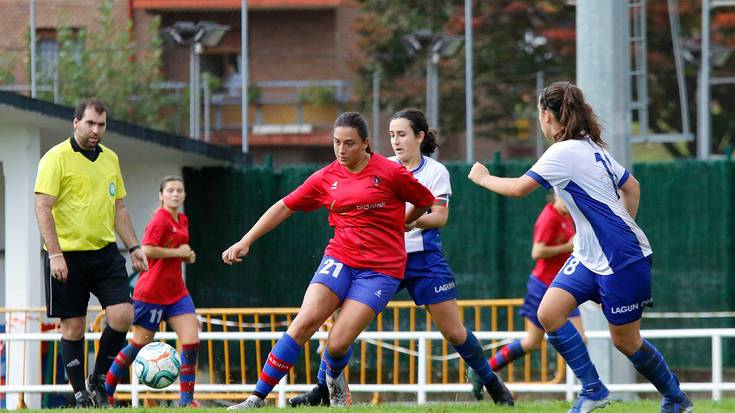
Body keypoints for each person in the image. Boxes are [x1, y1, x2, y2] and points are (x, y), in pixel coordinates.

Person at [467, 81, 693, 413]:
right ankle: (593, 389)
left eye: (538, 115)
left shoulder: (563, 151)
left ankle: (676, 398)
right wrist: (619, 225)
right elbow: (632, 187)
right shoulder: (591, 146)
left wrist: (483, 178)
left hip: (623, 259)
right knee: (549, 313)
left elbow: (518, 189)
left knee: (626, 341)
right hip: (590, 256)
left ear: (546, 115)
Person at [289, 108, 514, 407]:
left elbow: (439, 217)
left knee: (453, 331)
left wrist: (408, 221)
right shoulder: (382, 167)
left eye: (402, 134)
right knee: (343, 322)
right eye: (392, 135)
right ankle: (322, 388)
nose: (396, 141)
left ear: (420, 137)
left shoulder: (435, 172)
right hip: (381, 261)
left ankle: (491, 382)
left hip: (423, 260)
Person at [222, 112, 436, 409]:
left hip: (381, 270)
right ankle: (256, 398)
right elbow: (284, 207)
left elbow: (425, 201)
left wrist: (405, 221)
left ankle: (332, 384)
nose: (341, 150)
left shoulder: (389, 172)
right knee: (304, 321)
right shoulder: (327, 177)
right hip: (340, 258)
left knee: (336, 344)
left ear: (365, 144)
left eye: (349, 143)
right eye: (336, 143)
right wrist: (246, 240)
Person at [34, 98, 148, 408]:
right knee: (73, 326)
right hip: (66, 256)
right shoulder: (55, 158)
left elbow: (119, 208)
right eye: (90, 123)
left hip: (105, 252)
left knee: (123, 314)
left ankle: (98, 379)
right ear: (75, 122)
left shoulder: (110, 159)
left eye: (101, 125)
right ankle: (81, 395)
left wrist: (135, 246)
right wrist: (55, 254)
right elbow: (43, 207)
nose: (96, 130)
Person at [468, 194, 585, 400]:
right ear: (557, 194)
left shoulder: (567, 215)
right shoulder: (548, 217)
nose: (571, 200)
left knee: (579, 338)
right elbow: (537, 251)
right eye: (567, 196)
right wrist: (569, 246)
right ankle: (484, 371)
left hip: (563, 286)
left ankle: (588, 390)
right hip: (542, 287)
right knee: (532, 341)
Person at [103, 176, 200, 407]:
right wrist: (179, 253)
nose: (175, 194)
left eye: (179, 190)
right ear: (161, 195)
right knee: (137, 344)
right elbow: (146, 249)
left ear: (184, 194)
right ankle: (105, 390)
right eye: (170, 191)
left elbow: (176, 249)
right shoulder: (160, 220)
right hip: (151, 293)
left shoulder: (182, 219)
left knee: (192, 341)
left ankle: (187, 401)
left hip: (177, 293)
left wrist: (187, 255)